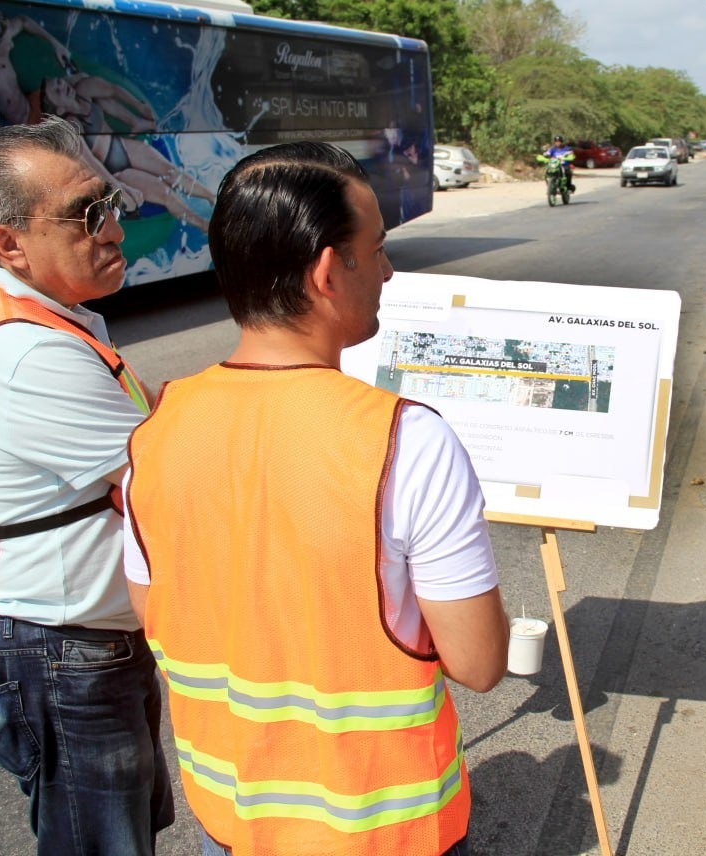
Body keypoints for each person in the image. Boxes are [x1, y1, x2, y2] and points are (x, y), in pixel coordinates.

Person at [122, 142, 510, 856]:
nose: (390, 270)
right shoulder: (405, 439)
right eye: (379, 248)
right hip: (380, 830)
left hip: (232, 819)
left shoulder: (157, 429)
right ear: (330, 271)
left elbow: (161, 614)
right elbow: (480, 662)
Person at [0, 117, 172, 852]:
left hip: (73, 641)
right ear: (8, 244)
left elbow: (142, 430)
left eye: (110, 204)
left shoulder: (46, 318)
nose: (111, 227)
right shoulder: (26, 352)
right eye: (85, 214)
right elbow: (171, 475)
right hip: (58, 652)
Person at [40, 73, 214, 231]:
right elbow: (93, 165)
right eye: (57, 91)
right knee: (166, 194)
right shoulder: (71, 127)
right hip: (114, 170)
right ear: (60, 109)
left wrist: (139, 107)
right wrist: (119, 187)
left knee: (171, 172)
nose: (61, 86)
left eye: (58, 82)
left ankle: (211, 196)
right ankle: (203, 225)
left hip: (122, 146)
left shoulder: (84, 89)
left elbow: (113, 90)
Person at [0, 6, 70, 129]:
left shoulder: (1, 35)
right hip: (30, 126)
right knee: (73, 120)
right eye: (7, 44)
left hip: (35, 102)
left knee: (82, 82)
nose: (12, 45)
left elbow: (23, 21)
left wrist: (56, 44)